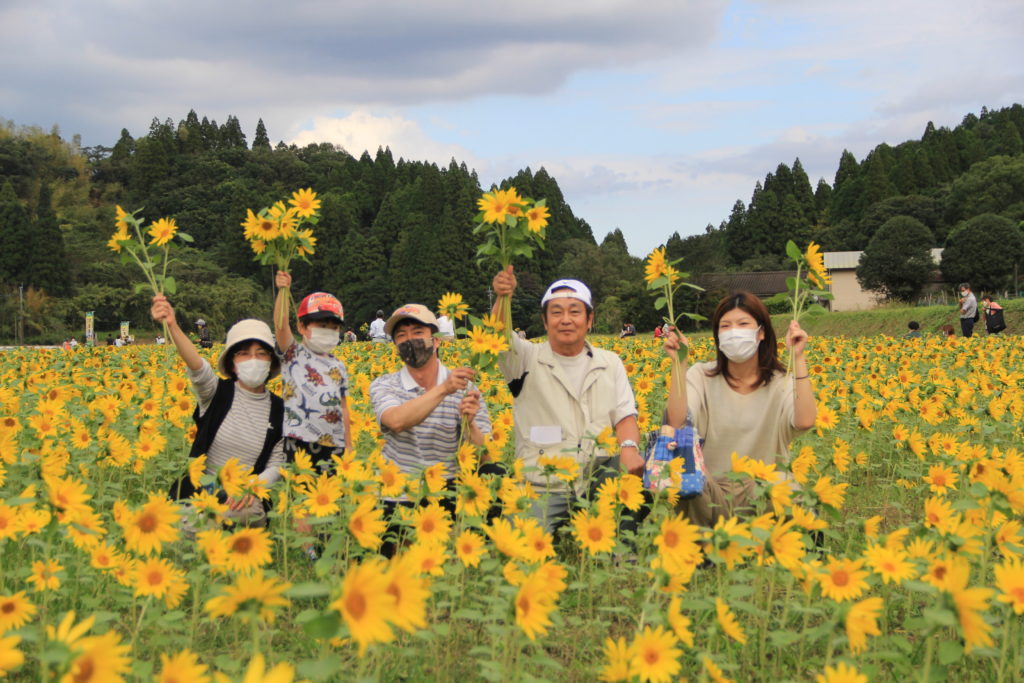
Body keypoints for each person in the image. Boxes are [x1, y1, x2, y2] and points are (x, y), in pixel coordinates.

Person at [491, 266, 642, 532]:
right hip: (544, 482)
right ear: (545, 321)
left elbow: (625, 415)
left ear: (589, 319)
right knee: (521, 548)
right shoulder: (525, 359)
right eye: (556, 312)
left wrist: (629, 448)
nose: (566, 319)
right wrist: (503, 297)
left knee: (645, 470)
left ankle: (621, 550)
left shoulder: (610, 362)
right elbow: (498, 335)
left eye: (574, 311)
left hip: (596, 475)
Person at [662, 291, 817, 527]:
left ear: (761, 332)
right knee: (683, 477)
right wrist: (679, 363)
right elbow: (676, 421)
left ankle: (775, 545)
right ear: (717, 336)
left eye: (743, 324)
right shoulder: (701, 376)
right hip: (710, 492)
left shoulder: (781, 382)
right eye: (725, 326)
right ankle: (703, 550)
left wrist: (798, 358)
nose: (734, 331)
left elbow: (805, 421)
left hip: (761, 489)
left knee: (787, 486)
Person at [151, 295, 285, 527]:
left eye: (261, 353)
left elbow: (276, 464)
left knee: (240, 514)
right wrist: (172, 326)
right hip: (200, 490)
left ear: (271, 362)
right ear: (233, 363)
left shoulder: (279, 410)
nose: (253, 359)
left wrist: (250, 488)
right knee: (170, 521)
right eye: (244, 353)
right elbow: (198, 369)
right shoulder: (217, 394)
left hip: (244, 496)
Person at [370, 304, 493, 554]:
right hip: (399, 486)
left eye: (417, 332)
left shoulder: (465, 387)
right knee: (395, 562)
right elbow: (395, 420)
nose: (409, 340)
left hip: (448, 486)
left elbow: (485, 456)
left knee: (497, 474)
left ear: (436, 341)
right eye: (401, 336)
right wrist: (444, 389)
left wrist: (470, 424)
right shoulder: (385, 384)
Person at [273, 271, 351, 470]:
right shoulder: (293, 354)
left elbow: (343, 407)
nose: (328, 331)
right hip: (299, 440)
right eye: (322, 325)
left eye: (334, 328)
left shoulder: (338, 366)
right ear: (301, 327)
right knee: (297, 492)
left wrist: (348, 445)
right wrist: (283, 291)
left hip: (334, 443)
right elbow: (281, 326)